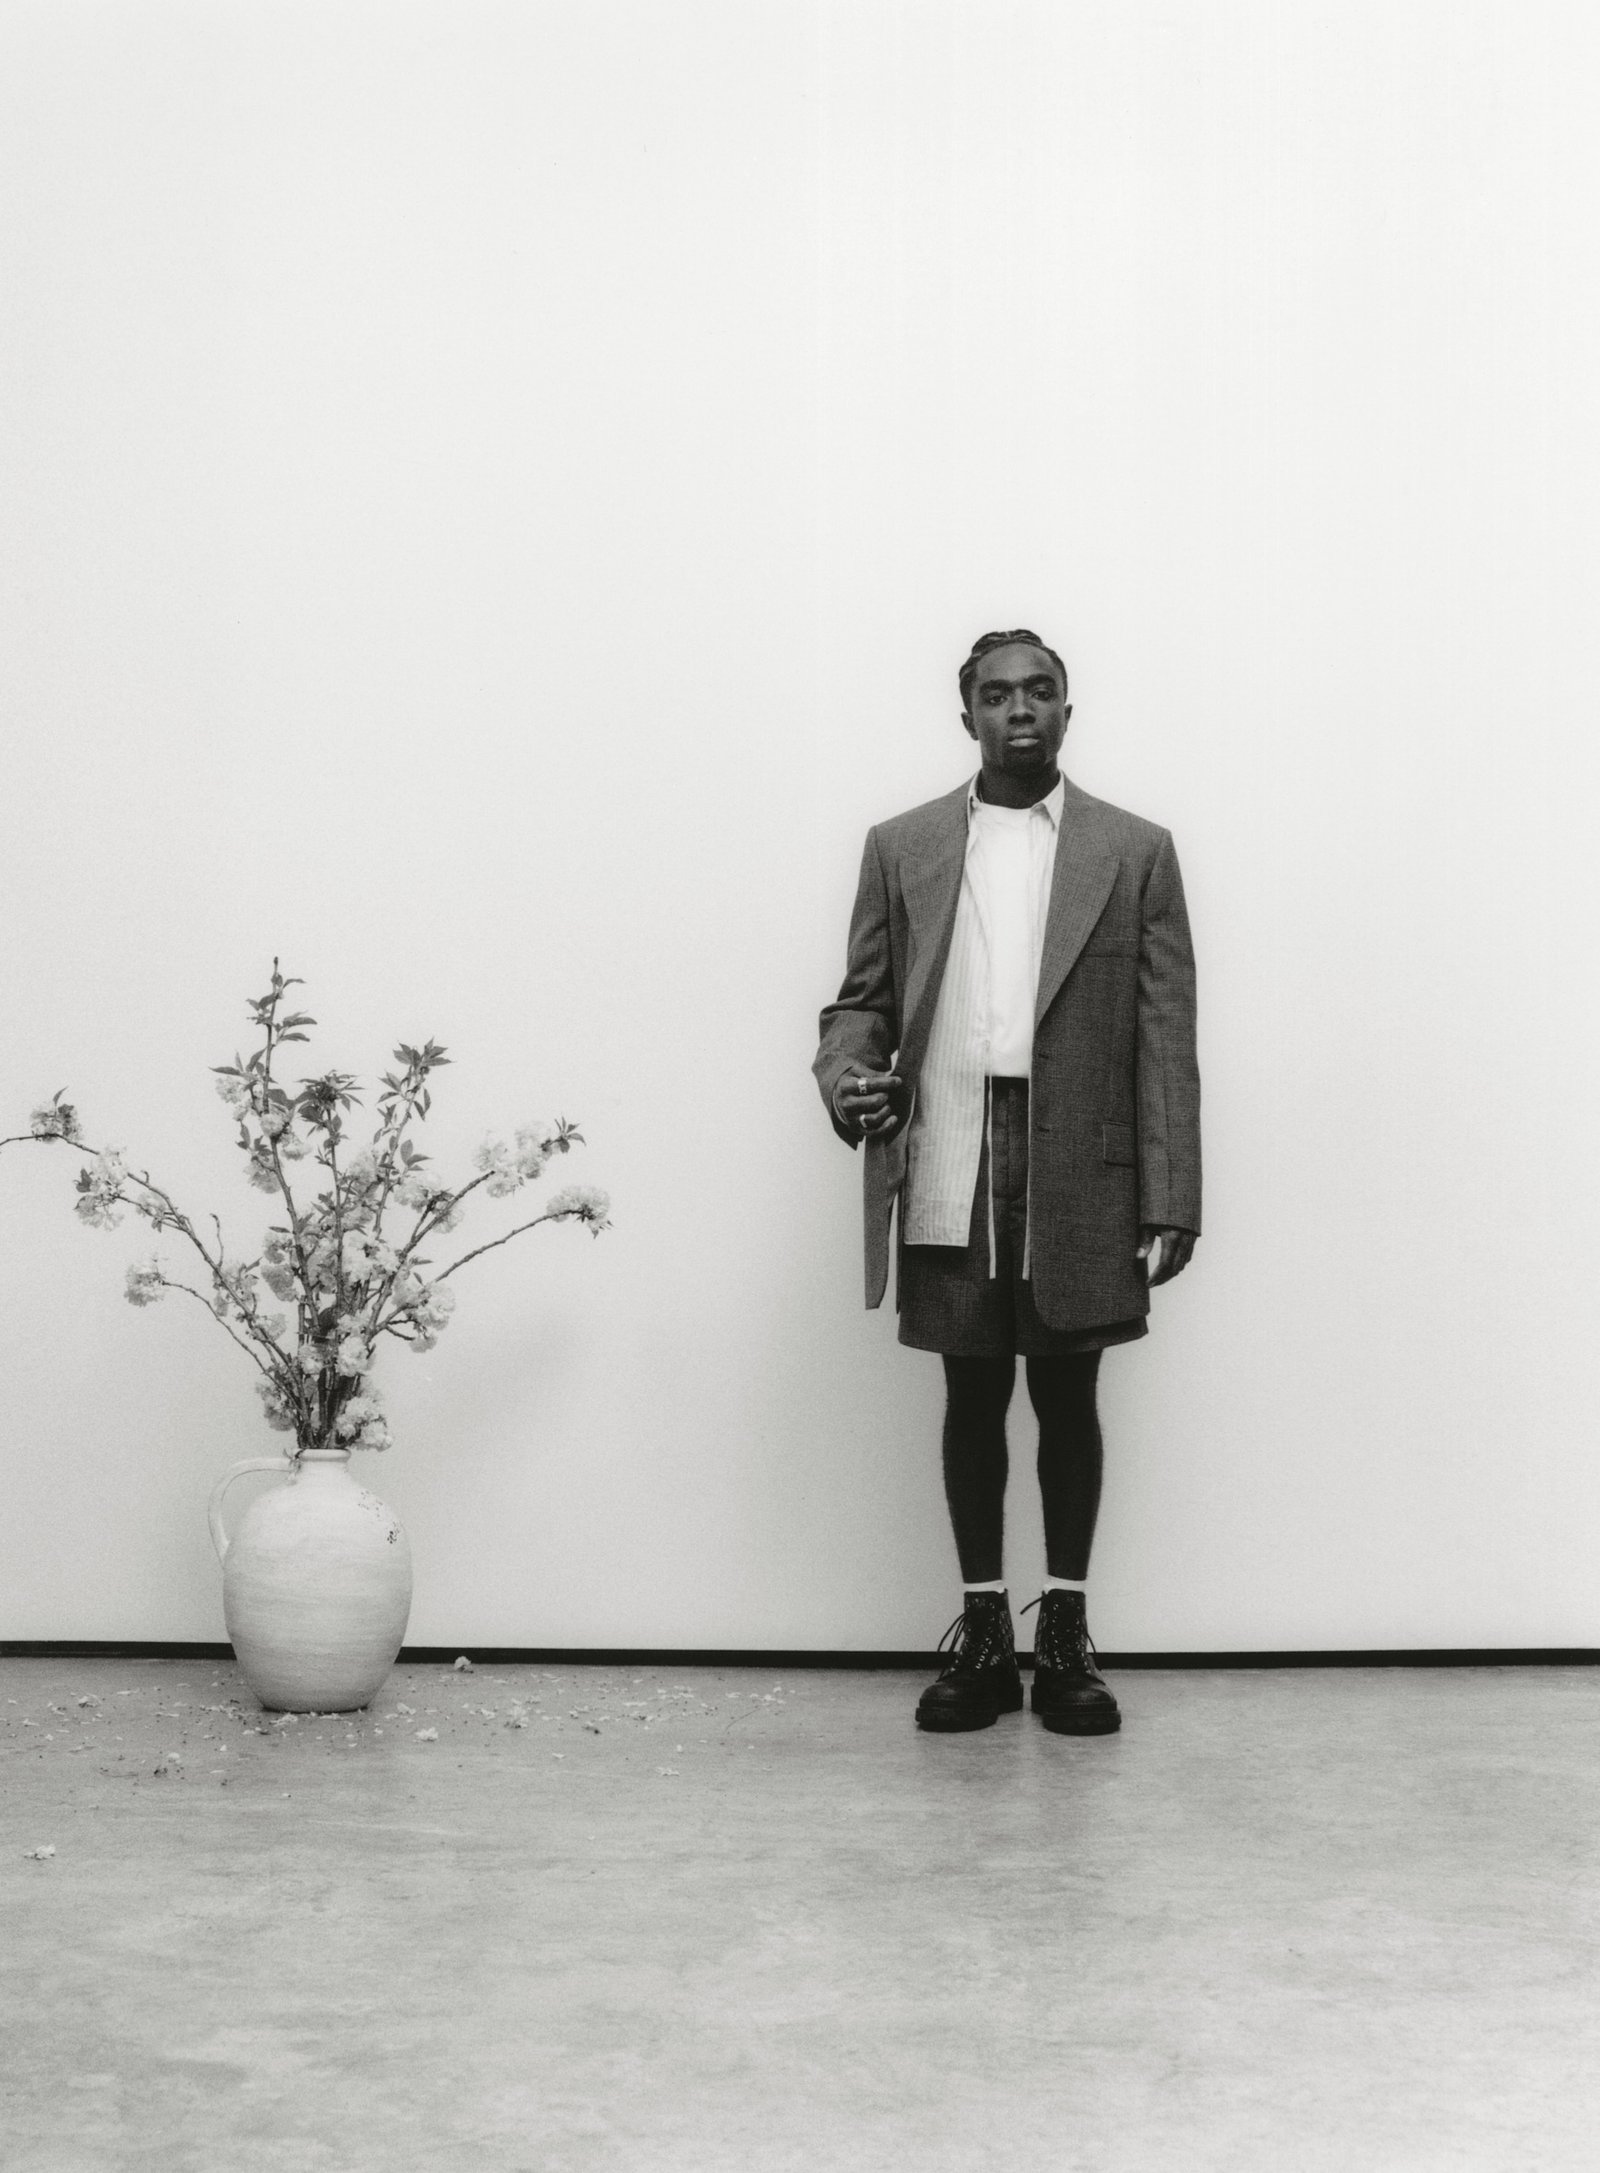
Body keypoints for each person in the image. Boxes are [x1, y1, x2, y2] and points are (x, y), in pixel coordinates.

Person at [814, 630, 1200, 1735]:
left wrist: (1171, 1192)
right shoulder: (903, 846)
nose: (1018, 709)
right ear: (967, 716)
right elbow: (860, 1004)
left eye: (1039, 691)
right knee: (972, 1389)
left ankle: (1065, 1636)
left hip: (1083, 1158)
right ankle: (984, 1637)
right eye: (996, 694)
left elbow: (1165, 1029)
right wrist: (848, 1078)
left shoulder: (1134, 850)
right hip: (952, 1142)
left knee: (1069, 1391)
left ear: (1068, 712)